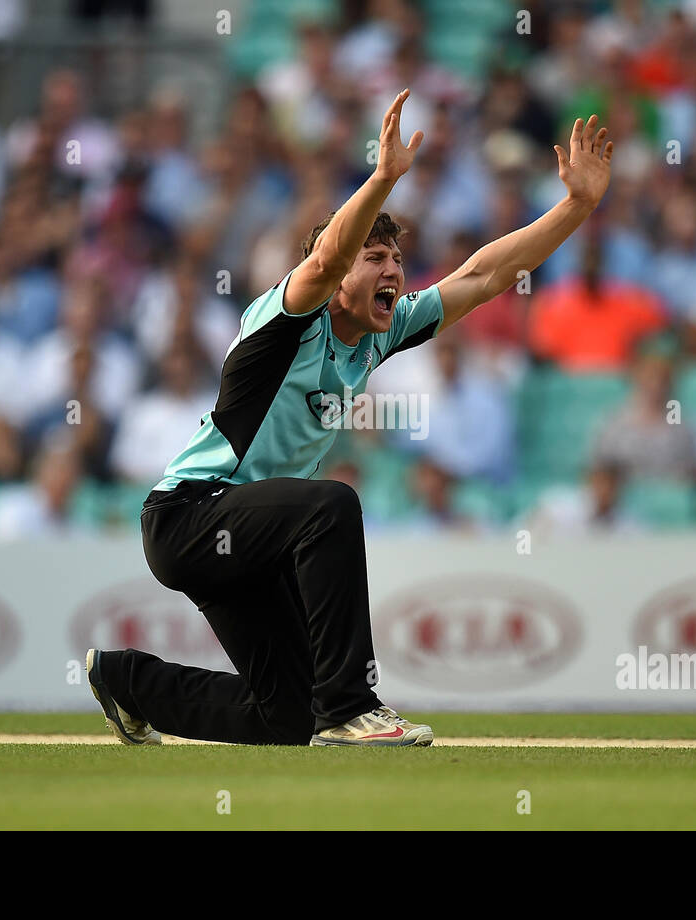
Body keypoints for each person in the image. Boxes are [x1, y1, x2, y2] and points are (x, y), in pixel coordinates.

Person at [85, 90, 614, 747]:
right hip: (190, 514)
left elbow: (485, 274)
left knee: (281, 716)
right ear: (336, 280)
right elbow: (328, 257)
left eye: (396, 259)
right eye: (376, 258)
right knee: (330, 504)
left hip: (252, 537)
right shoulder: (286, 320)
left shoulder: (377, 333)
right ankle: (350, 706)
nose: (394, 269)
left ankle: (127, 681)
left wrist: (576, 207)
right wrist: (385, 176)